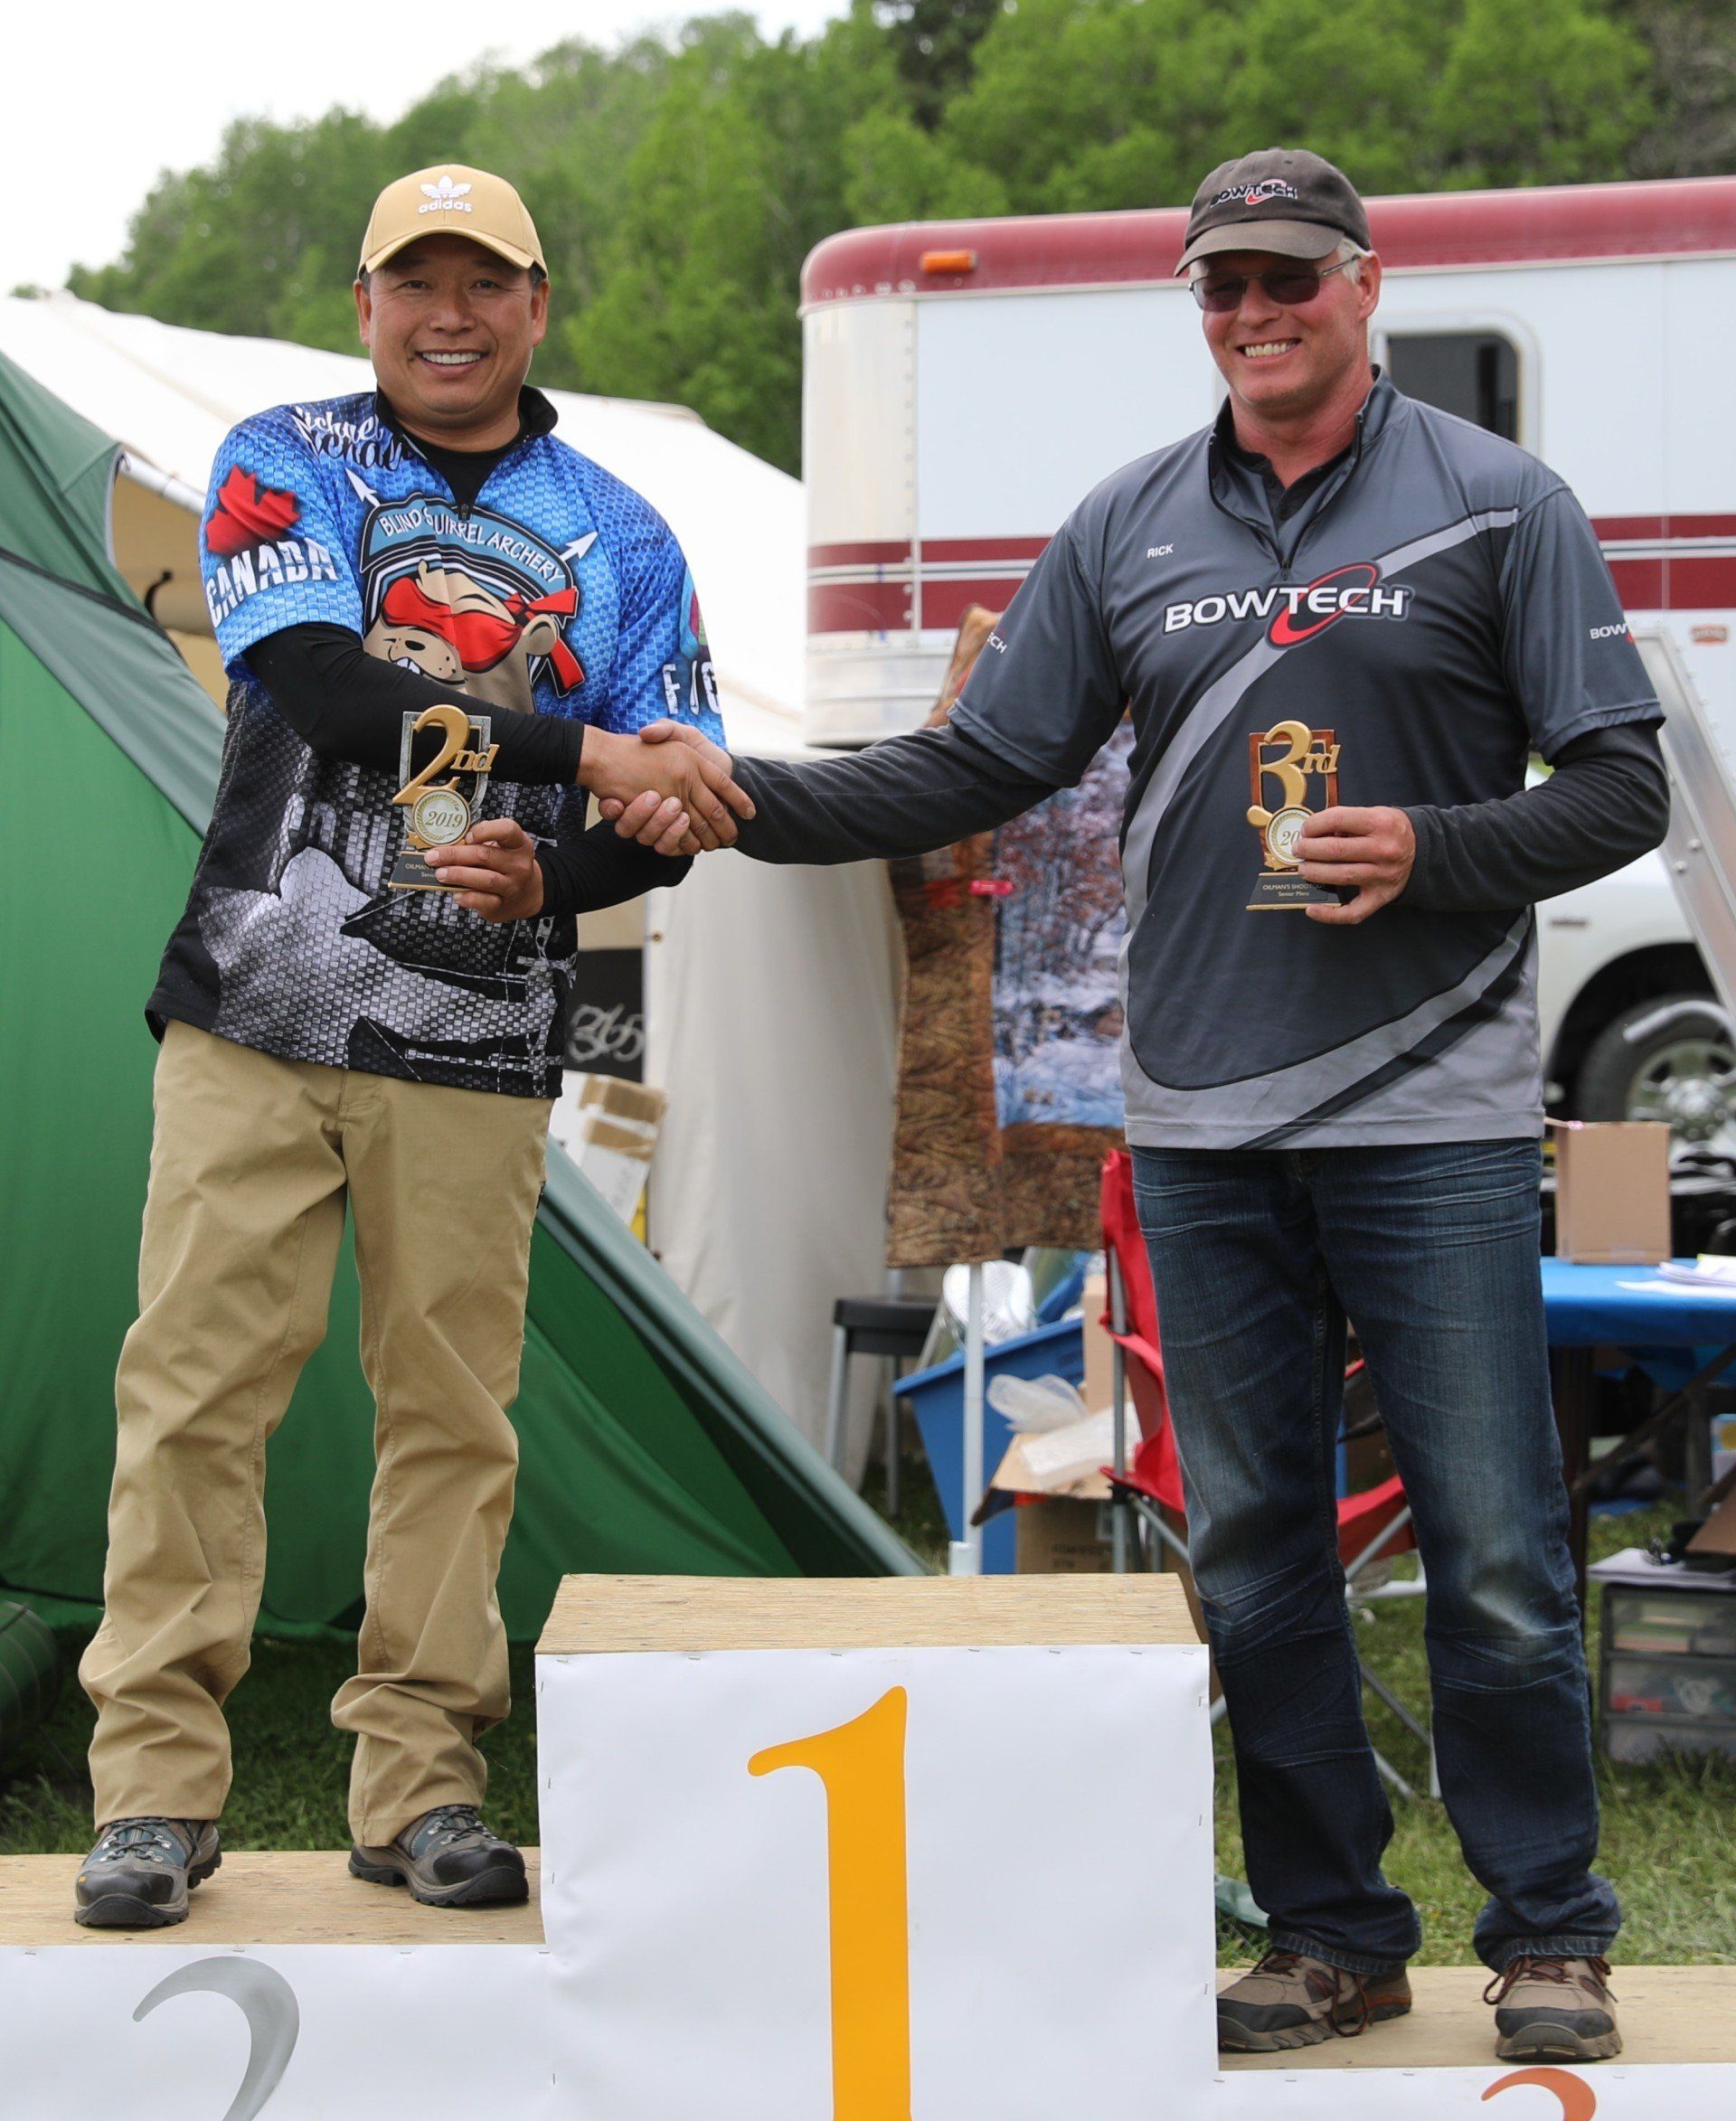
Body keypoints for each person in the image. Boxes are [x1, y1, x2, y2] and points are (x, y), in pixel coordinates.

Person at [616, 148, 1669, 2064]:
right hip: (1196, 1128)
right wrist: (742, 792)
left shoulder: (1504, 506)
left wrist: (1432, 845)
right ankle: (1335, 1931)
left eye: (1285, 278)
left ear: (1364, 284)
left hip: (1431, 1122)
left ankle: (1552, 1933)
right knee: (1254, 1548)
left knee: (1498, 1547)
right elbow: (973, 767)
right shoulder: (1125, 527)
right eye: (1219, 288)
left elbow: (1621, 796)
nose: (1252, 314)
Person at [74, 164, 748, 1929]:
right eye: (412, 282)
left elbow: (672, 810)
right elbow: (314, 683)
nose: (447, 315)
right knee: (198, 1387)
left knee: (451, 1412)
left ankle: (422, 1780)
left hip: (478, 1021)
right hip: (260, 1000)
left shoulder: (628, 534)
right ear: (367, 303)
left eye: (484, 282)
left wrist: (562, 866)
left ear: (537, 304)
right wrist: (585, 758)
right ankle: (153, 1790)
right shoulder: (281, 454)